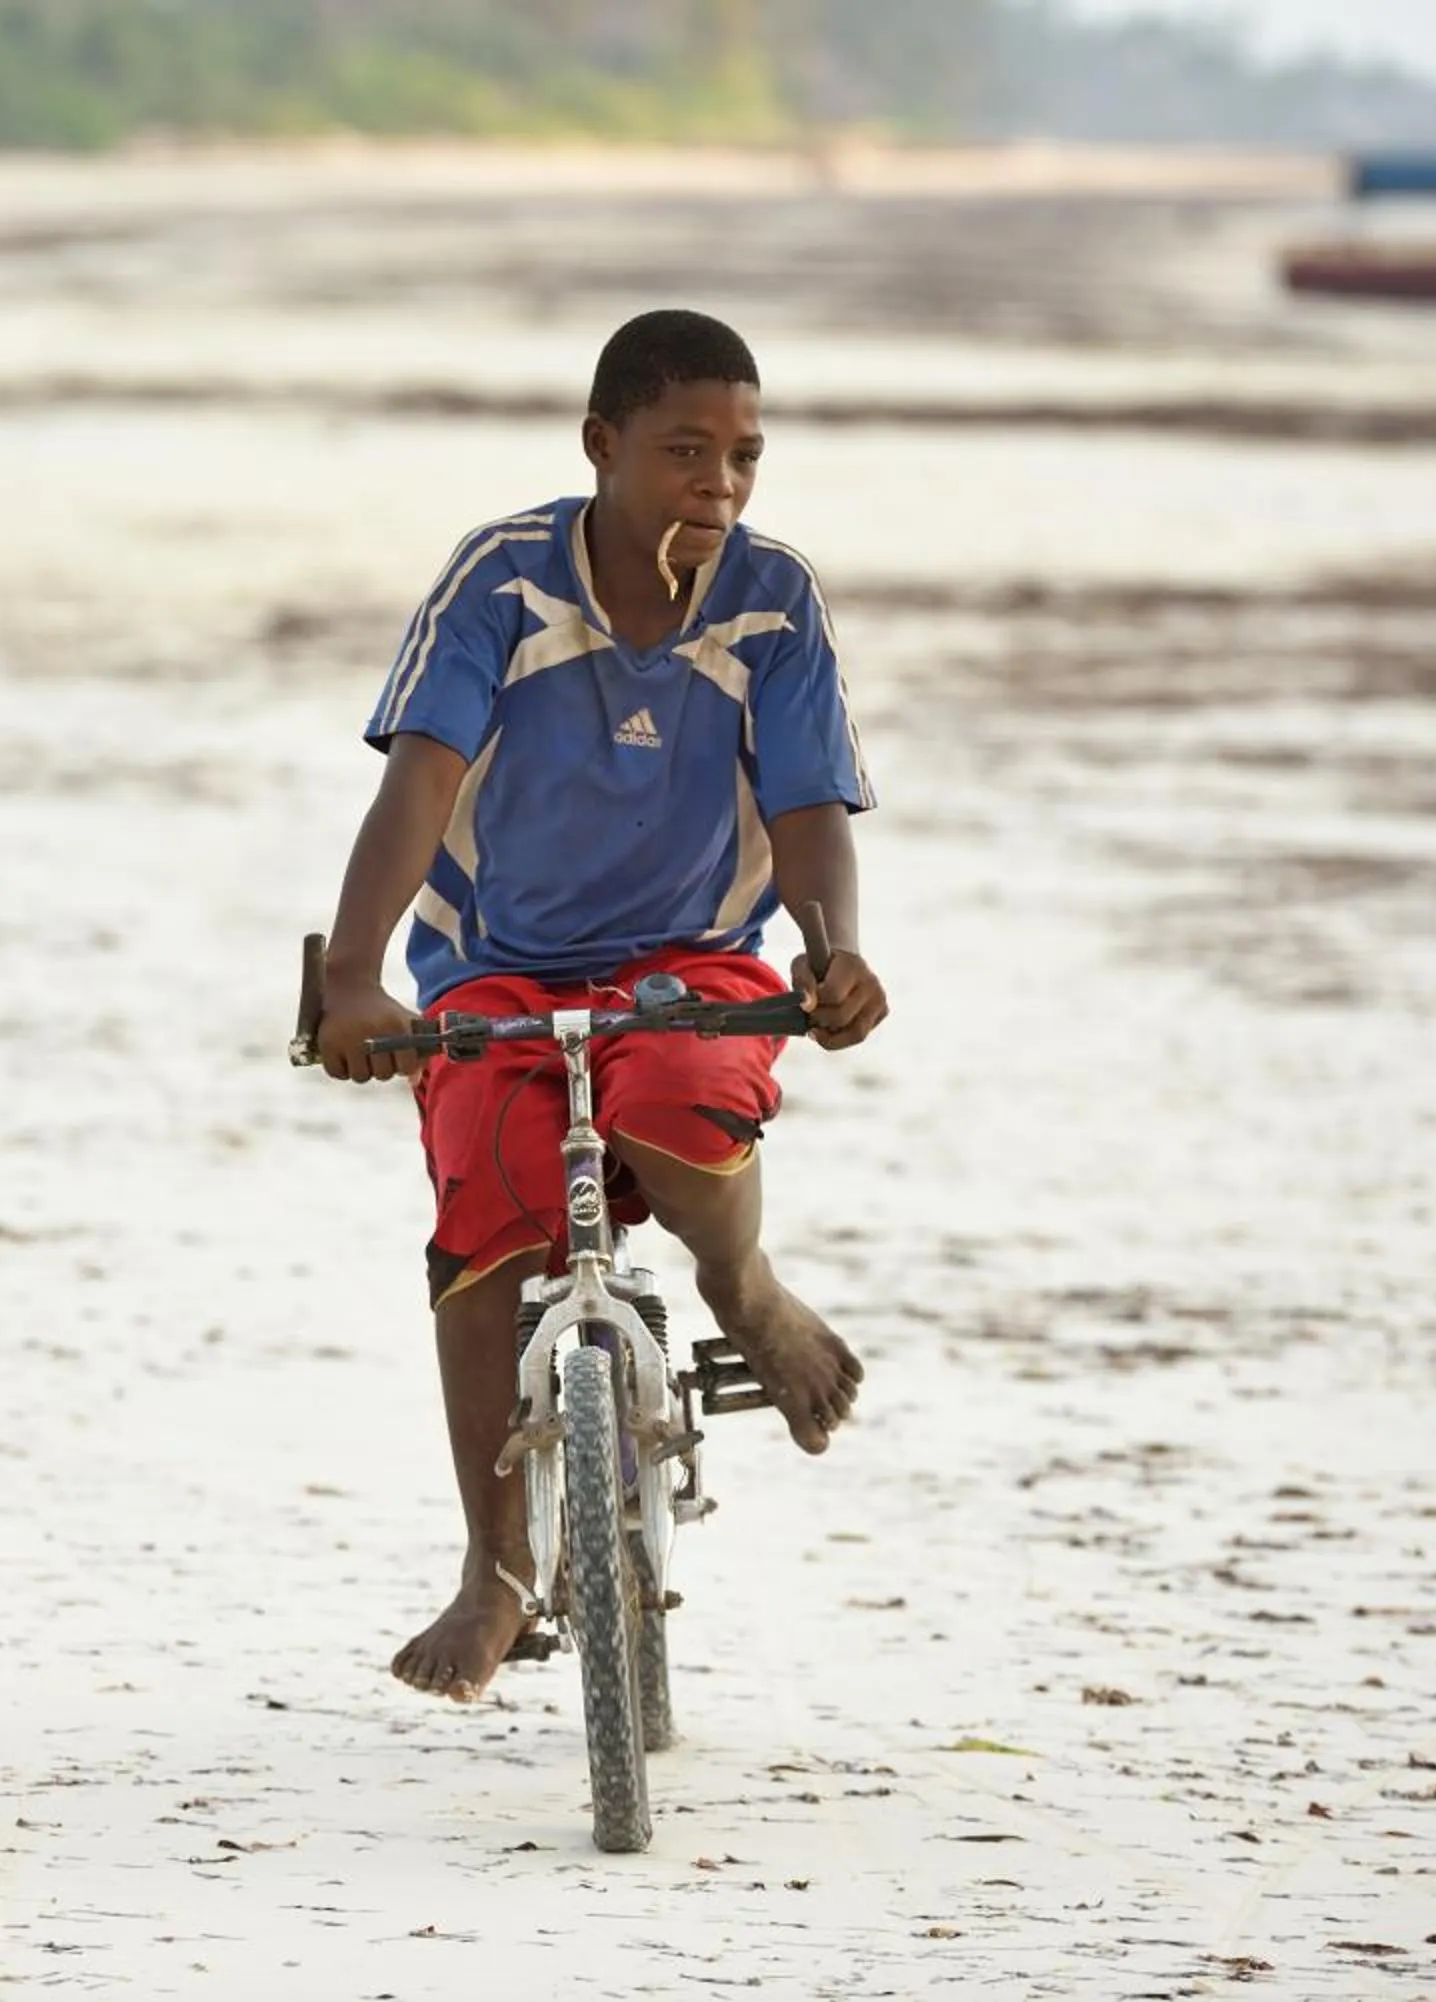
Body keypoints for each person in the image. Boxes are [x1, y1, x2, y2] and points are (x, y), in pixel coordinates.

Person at [310, 309, 889, 1704]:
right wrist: (352, 971)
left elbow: (810, 807)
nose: (721, 484)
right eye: (686, 451)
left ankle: (740, 1286)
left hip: (693, 954)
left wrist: (831, 947)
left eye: (744, 455)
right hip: (498, 958)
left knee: (678, 1092)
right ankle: (496, 1567)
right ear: (601, 447)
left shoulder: (772, 599)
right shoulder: (503, 582)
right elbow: (423, 778)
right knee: (486, 1193)